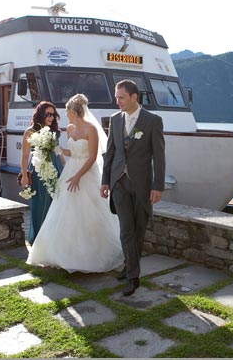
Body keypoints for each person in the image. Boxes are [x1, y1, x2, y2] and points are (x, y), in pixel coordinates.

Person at [26, 94, 124, 273]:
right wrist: (57, 149)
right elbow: (71, 152)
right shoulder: (70, 129)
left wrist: (78, 176)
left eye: (66, 111)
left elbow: (93, 157)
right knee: (64, 210)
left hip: (86, 173)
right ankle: (61, 253)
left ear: (73, 111)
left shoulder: (91, 129)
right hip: (70, 171)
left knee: (88, 212)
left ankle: (91, 255)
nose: (64, 114)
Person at [101, 80, 166, 296]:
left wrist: (158, 186)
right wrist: (105, 181)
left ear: (134, 97)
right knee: (126, 229)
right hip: (119, 181)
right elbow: (110, 152)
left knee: (139, 231)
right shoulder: (114, 120)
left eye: (121, 97)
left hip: (143, 185)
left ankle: (129, 265)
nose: (117, 101)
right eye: (116, 97)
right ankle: (133, 277)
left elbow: (159, 156)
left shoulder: (153, 121)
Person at [20, 101, 64, 245]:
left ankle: (55, 239)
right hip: (39, 171)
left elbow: (58, 152)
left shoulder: (54, 131)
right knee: (40, 203)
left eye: (53, 115)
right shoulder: (30, 132)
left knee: (57, 203)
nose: (51, 117)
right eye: (48, 114)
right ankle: (40, 240)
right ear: (40, 114)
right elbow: (25, 156)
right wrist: (25, 175)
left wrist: (67, 168)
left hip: (56, 169)